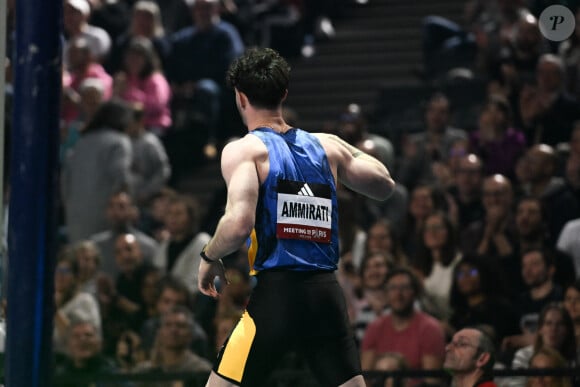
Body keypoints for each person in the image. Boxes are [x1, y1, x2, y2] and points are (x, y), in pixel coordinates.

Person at [197, 47, 395, 387]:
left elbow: (238, 223)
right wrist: (344, 146)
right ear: (284, 94)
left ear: (240, 97)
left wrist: (209, 256)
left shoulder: (244, 150)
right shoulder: (327, 146)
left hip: (278, 297)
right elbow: (384, 185)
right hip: (326, 297)